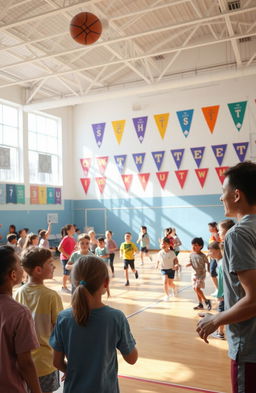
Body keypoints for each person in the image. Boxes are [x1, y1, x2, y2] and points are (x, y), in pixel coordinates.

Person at [197, 161, 256, 393]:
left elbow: (253, 299)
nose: (221, 198)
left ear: (237, 194)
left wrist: (215, 320)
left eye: (224, 192)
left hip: (249, 348)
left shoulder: (238, 234)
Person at [50, 256, 138, 393]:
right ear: (105, 283)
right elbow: (132, 358)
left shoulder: (63, 318)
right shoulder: (115, 318)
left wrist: (73, 372)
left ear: (74, 282)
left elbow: (56, 362)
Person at [15, 247, 63, 393]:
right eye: (50, 263)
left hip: (23, 362)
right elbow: (60, 333)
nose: (54, 265)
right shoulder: (51, 296)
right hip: (45, 364)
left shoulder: (18, 293)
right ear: (38, 270)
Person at [0, 246, 42, 393]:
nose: (22, 267)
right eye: (19, 264)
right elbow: (25, 363)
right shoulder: (20, 313)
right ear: (13, 275)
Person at [186, 237, 211, 310]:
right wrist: (188, 264)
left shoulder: (203, 256)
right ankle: (200, 304)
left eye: (196, 245)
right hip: (194, 274)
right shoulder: (191, 254)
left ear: (201, 246)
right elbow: (190, 261)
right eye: (192, 245)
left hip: (201, 274)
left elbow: (208, 263)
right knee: (195, 289)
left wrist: (209, 269)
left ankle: (206, 301)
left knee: (197, 288)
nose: (193, 247)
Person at [207, 241, 225, 339]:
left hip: (224, 294)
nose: (209, 254)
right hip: (225, 293)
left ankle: (220, 333)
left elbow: (222, 280)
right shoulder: (219, 261)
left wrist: (220, 294)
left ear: (218, 251)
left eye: (211, 251)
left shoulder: (221, 263)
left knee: (221, 312)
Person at [58, 224, 76, 293]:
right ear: (68, 231)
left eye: (74, 228)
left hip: (71, 258)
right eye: (72, 228)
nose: (74, 229)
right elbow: (59, 248)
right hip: (65, 258)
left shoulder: (72, 238)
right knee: (66, 273)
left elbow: (74, 248)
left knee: (70, 272)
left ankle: (71, 285)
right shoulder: (66, 238)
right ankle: (64, 287)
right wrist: (67, 255)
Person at [208, 221, 220, 295]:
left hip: (216, 256)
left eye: (210, 227)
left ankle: (218, 289)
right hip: (212, 256)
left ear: (215, 227)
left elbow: (218, 244)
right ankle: (217, 288)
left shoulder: (216, 235)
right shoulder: (212, 235)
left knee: (212, 271)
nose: (209, 228)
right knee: (212, 271)